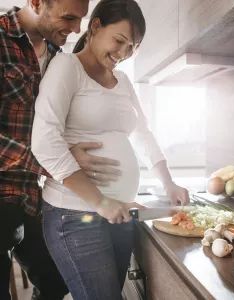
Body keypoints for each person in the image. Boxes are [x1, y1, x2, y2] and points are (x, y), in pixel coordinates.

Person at [31, 0, 190, 299]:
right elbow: (44, 140)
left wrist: (169, 183)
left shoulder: (124, 81)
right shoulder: (67, 66)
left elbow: (142, 133)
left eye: (132, 47)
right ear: (95, 27)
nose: (123, 53)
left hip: (119, 213)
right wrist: (101, 202)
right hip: (75, 214)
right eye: (119, 41)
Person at [0, 1, 124, 299]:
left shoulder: (58, 58)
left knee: (57, 283)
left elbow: (51, 129)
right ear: (36, 3)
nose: (76, 29)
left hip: (30, 197)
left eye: (80, 19)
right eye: (68, 18)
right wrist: (57, 162)